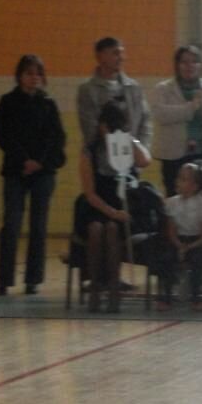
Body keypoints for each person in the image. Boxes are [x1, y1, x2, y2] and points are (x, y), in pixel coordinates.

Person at [0, 55, 67, 296]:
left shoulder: (48, 104)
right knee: (11, 225)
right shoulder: (7, 102)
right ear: (19, 76)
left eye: (38, 73)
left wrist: (39, 162)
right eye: (29, 73)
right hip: (15, 171)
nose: (34, 77)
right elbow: (4, 137)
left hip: (43, 172)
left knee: (39, 226)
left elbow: (56, 138)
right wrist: (24, 160)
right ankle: (4, 279)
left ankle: (33, 280)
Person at [75, 101, 152, 312]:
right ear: (101, 125)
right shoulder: (90, 151)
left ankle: (113, 288)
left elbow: (145, 160)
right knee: (95, 229)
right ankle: (95, 286)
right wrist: (111, 212)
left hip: (123, 203)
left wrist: (129, 138)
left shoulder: (127, 147)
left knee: (112, 229)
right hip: (97, 205)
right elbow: (89, 193)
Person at [151, 45, 202, 196]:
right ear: (177, 65)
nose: (189, 66)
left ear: (201, 65)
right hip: (174, 156)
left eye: (194, 62)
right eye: (184, 62)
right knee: (176, 196)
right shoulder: (163, 89)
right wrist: (190, 108)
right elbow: (160, 114)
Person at [77, 36, 152, 147]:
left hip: (133, 153)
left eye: (122, 53)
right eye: (116, 53)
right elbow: (89, 129)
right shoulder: (87, 90)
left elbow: (145, 122)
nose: (122, 58)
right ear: (100, 56)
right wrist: (115, 146)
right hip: (102, 155)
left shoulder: (134, 87)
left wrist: (140, 148)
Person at [163, 162, 202, 311]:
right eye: (179, 178)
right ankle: (166, 296)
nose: (178, 182)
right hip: (178, 240)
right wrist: (179, 246)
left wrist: (188, 247)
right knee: (167, 257)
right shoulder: (171, 202)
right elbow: (171, 231)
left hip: (197, 241)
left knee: (197, 259)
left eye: (184, 179)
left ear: (195, 186)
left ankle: (196, 297)